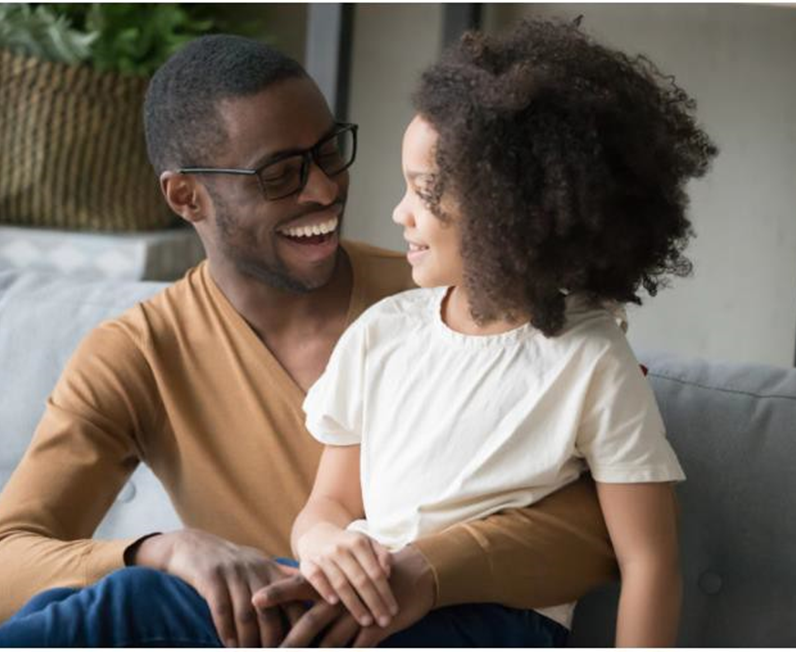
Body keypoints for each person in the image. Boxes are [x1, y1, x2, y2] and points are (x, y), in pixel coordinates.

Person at [0, 34, 620, 647]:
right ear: (187, 196)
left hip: (444, 626)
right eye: (281, 174)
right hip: (260, 633)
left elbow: (601, 531)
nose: (326, 189)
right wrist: (162, 550)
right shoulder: (137, 353)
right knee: (117, 601)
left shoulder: (451, 297)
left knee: (131, 606)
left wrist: (425, 572)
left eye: (328, 152)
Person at [286, 17, 717, 648]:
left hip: (495, 623)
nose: (398, 211)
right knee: (152, 600)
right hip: (372, 597)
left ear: (507, 210)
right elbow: (327, 505)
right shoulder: (383, 333)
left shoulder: (589, 358)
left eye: (424, 190)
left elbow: (650, 562)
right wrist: (322, 542)